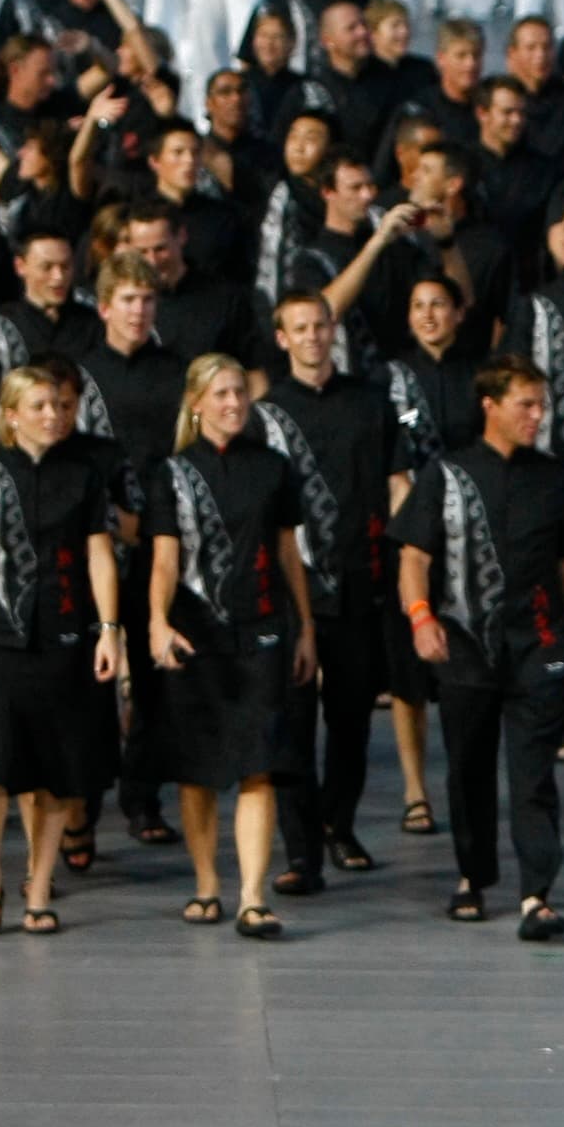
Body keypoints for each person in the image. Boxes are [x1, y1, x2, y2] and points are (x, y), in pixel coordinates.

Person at [0, 364, 128, 936]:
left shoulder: (85, 476)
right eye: (39, 406)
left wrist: (110, 628)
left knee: (55, 771)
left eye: (60, 406)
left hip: (64, 636)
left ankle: (39, 885)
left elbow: (99, 555)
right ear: (12, 415)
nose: (53, 415)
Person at [393, 355, 564, 938]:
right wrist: (420, 617)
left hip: (541, 642)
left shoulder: (558, 478)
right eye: (524, 405)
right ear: (490, 406)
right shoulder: (447, 473)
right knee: (468, 767)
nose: (537, 416)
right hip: (464, 642)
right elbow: (414, 556)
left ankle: (537, 892)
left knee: (534, 773)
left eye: (541, 405)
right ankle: (472, 877)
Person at [148, 353, 316, 942]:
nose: (232, 404)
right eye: (220, 394)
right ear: (196, 404)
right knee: (197, 769)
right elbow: (166, 558)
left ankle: (252, 895)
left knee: (259, 764)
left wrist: (306, 630)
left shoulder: (273, 468)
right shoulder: (172, 472)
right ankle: (205, 883)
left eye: (240, 393)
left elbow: (289, 552)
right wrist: (154, 621)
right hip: (196, 632)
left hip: (263, 627)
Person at [255, 288, 409, 893]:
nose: (314, 336)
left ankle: (338, 826)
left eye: (321, 325)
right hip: (291, 592)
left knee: (350, 722)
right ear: (283, 337)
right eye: (301, 327)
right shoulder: (266, 412)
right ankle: (300, 853)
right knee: (291, 724)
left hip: (359, 581)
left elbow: (399, 485)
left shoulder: (373, 403)